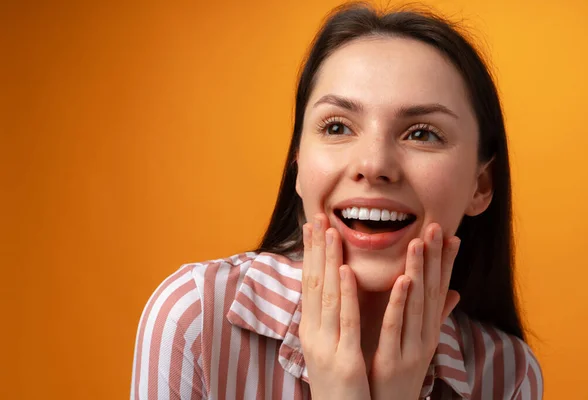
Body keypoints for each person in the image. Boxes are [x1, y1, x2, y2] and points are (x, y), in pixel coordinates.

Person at [130, 3, 543, 399]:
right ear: (298, 163)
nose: (374, 164)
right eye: (337, 126)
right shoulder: (196, 320)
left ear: (481, 185)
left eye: (422, 133)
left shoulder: (507, 375)